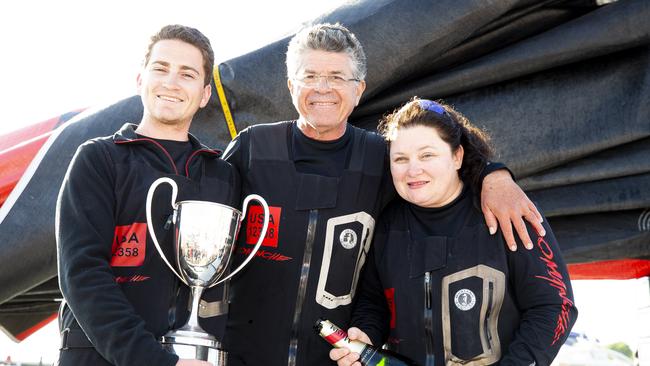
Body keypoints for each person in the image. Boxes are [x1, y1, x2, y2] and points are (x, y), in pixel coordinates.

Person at [222, 23, 545, 366]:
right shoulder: (252, 148)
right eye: (310, 76)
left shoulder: (382, 159)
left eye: (337, 77)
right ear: (291, 85)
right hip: (240, 354)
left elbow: (441, 166)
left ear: (359, 89)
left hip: (336, 358)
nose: (323, 88)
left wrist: (495, 174)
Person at [330, 98, 578, 366]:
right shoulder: (386, 225)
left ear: (457, 156)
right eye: (400, 158)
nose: (413, 170)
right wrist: (364, 333)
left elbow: (555, 306)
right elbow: (374, 303)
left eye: (427, 155)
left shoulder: (506, 211)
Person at [56, 25, 240, 366]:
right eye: (161, 68)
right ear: (140, 80)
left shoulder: (223, 175)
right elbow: (82, 274)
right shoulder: (98, 159)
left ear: (204, 95)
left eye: (187, 74)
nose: (171, 82)